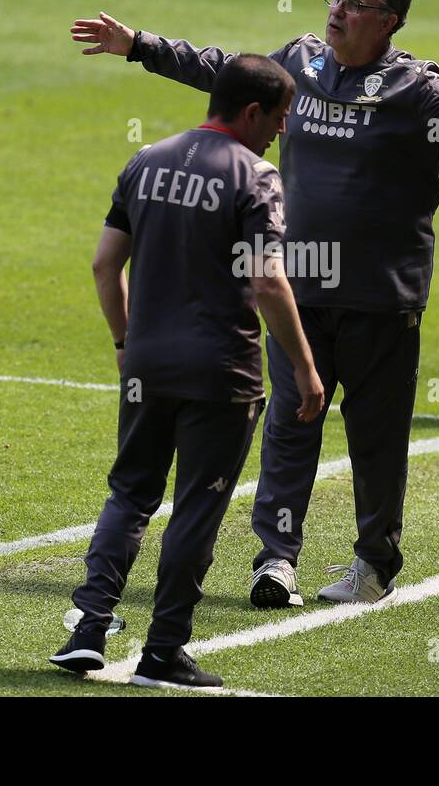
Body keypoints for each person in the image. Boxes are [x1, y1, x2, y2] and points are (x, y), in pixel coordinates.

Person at [71, 0, 439, 607]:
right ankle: (277, 559)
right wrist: (140, 47)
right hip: (298, 288)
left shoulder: (415, 87)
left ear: (389, 22)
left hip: (382, 295)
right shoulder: (301, 62)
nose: (337, 10)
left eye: (355, 4)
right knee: (290, 427)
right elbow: (223, 70)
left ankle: (372, 563)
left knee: (375, 441)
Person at [50, 55, 326, 689]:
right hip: (220, 370)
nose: (281, 133)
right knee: (197, 508)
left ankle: (87, 631)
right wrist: (307, 371)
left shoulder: (145, 160)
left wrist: (125, 342)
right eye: (280, 119)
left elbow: (102, 265)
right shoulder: (256, 176)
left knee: (129, 494)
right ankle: (162, 651)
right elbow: (266, 279)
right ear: (253, 112)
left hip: (146, 362)